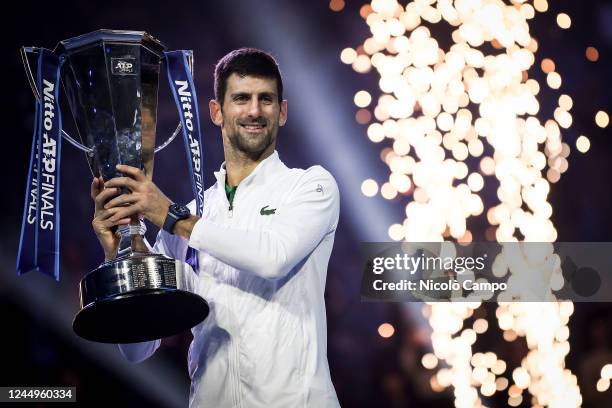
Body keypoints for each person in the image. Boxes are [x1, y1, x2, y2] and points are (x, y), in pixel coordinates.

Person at [90, 48, 341, 407]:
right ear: (216, 112)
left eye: (266, 99)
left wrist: (172, 218)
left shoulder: (310, 186)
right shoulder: (190, 216)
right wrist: (121, 254)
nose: (254, 111)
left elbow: (273, 257)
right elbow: (138, 349)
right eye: (241, 98)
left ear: (282, 112)